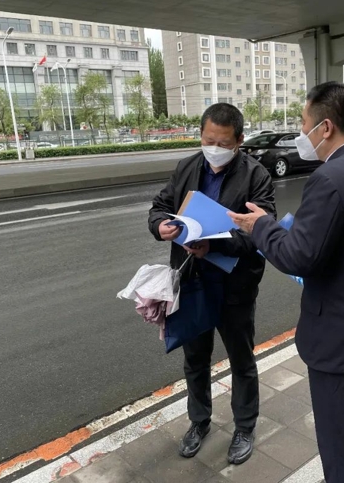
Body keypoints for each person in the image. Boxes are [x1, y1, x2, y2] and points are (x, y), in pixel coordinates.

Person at [229, 82, 344, 483]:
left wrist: (260, 226)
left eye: (304, 123)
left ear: (326, 127)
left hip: (342, 343)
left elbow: (297, 256)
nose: (302, 132)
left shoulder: (329, 179)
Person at [148, 103, 276, 465]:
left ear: (239, 140)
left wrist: (215, 245)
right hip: (192, 281)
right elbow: (160, 206)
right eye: (208, 140)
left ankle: (244, 427)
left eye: (223, 143)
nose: (214, 148)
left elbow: (261, 232)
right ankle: (199, 421)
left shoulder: (255, 176)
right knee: (195, 360)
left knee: (241, 360)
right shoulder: (187, 167)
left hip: (234, 285)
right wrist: (160, 225)